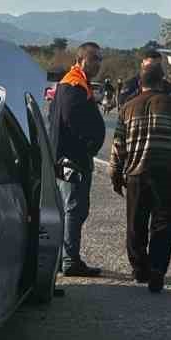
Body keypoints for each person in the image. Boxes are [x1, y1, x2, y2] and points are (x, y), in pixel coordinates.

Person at [110, 50, 171, 293]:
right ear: (162, 81)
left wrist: (115, 175)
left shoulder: (127, 108)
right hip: (166, 174)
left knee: (136, 223)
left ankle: (139, 269)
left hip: (136, 174)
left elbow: (118, 146)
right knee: (164, 223)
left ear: (141, 83)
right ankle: (158, 269)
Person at [50, 42, 107, 277]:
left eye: (100, 59)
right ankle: (69, 260)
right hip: (73, 159)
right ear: (81, 59)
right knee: (74, 207)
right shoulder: (73, 84)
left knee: (77, 208)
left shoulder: (77, 82)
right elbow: (74, 121)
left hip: (75, 157)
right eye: (94, 59)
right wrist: (88, 146)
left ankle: (69, 257)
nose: (98, 64)